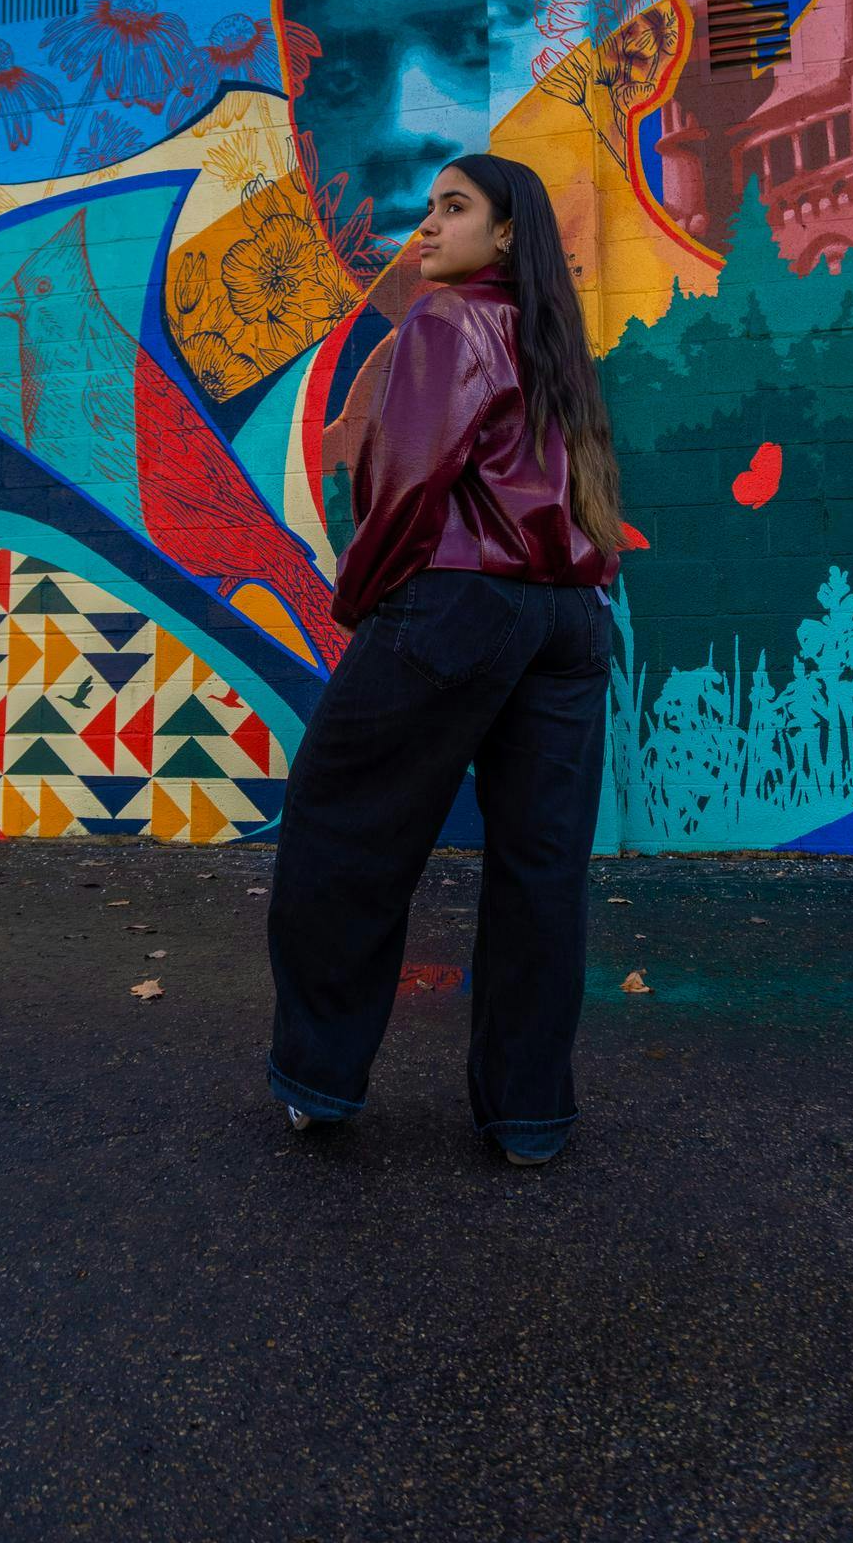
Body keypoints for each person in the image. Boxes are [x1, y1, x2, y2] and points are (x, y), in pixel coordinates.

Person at [265, 151, 625, 1167]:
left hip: (461, 601)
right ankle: (528, 1116)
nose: (426, 225)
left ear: (505, 232)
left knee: (341, 830)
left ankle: (318, 1078)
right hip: (572, 618)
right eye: (427, 208)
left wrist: (359, 596)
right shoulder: (555, 338)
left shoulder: (447, 321)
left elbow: (407, 482)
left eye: (452, 207)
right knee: (540, 867)